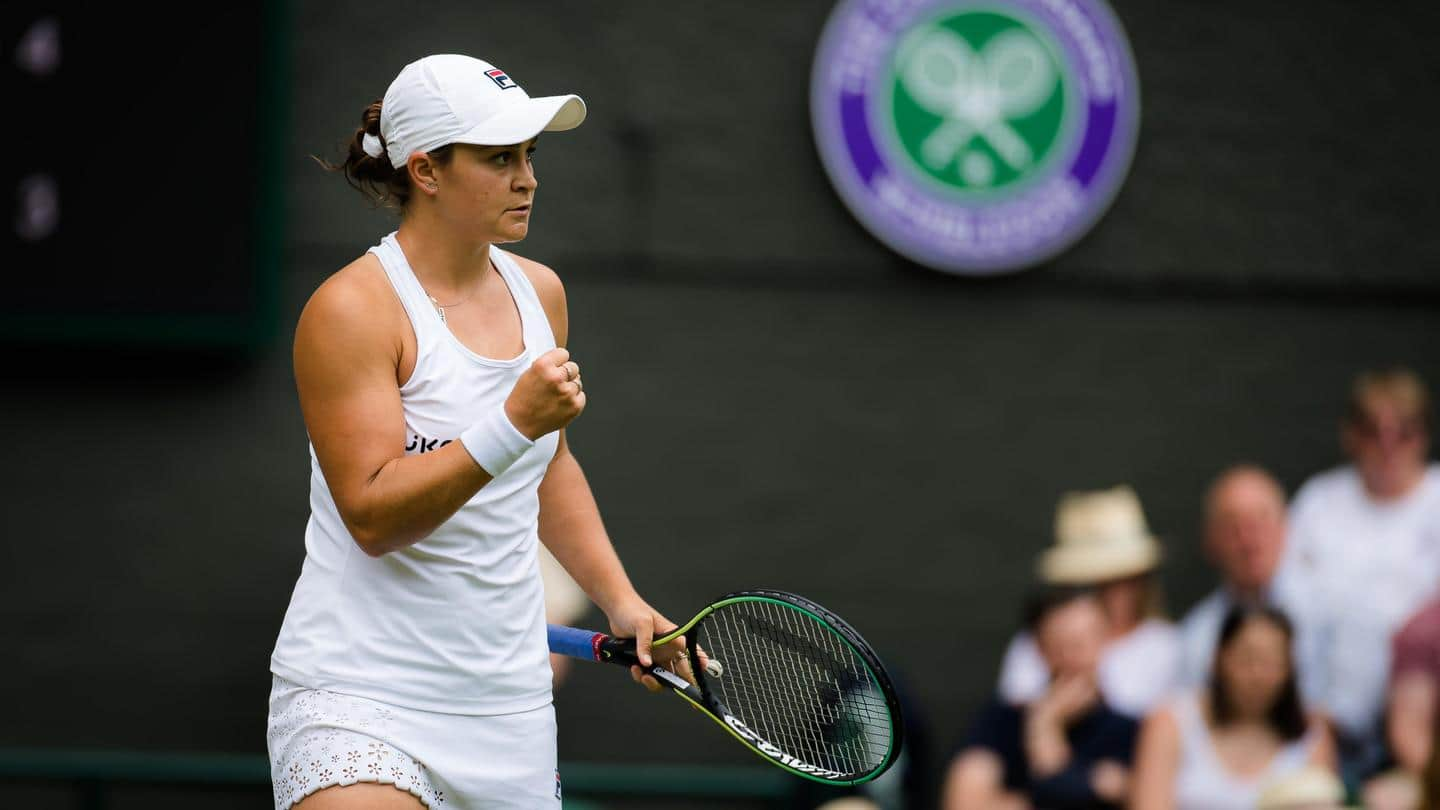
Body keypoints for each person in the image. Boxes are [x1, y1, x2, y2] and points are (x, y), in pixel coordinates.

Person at [267, 54, 684, 809]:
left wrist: (622, 600)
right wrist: (512, 420)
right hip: (357, 695)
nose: (527, 177)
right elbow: (371, 516)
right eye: (499, 158)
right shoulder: (351, 310)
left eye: (529, 155)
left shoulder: (542, 292)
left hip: (507, 714)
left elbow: (549, 467)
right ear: (425, 171)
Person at [1280, 368, 1440, 779]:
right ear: (1349, 434)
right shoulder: (1319, 501)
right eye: (1373, 430)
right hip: (1323, 707)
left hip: (1422, 701)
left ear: (1423, 436)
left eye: (1403, 431)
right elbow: (1287, 600)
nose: (1388, 444)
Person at [944, 588, 1140, 810]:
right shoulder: (1000, 722)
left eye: (1085, 641)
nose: (1076, 657)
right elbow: (963, 802)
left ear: (1106, 638)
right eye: (1062, 645)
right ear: (1039, 648)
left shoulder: (1131, 732)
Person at [997, 486, 1182, 719]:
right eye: (1101, 582)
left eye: (1128, 579)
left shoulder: (1166, 645)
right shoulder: (1032, 642)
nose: (1118, 593)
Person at [1128, 605, 1336, 810]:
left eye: (1272, 662)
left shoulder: (1311, 734)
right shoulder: (1171, 721)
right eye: (1247, 659)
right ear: (1218, 659)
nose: (1258, 674)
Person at [1176, 465, 1294, 687]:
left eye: (1260, 522)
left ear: (1286, 528)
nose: (1249, 541)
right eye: (1233, 526)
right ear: (1210, 540)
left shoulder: (1330, 611)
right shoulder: (1198, 637)